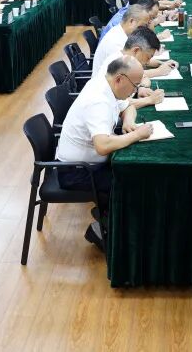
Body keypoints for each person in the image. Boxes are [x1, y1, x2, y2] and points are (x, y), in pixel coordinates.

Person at [56, 56, 155, 249]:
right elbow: (102, 145)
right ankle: (102, 229)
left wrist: (128, 122)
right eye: (134, 86)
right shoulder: (98, 99)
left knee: (135, 175)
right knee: (132, 184)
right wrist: (136, 135)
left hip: (91, 165)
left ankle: (108, 218)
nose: (135, 91)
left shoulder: (108, 85)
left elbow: (128, 106)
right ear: (119, 79)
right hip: (77, 172)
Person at [92, 3, 154, 77]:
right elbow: (127, 74)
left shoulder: (121, 31)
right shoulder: (116, 42)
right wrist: (159, 71)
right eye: (143, 26)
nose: (144, 29)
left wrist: (154, 62)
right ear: (132, 21)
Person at [96, 25, 177, 81]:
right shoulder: (118, 63)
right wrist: (158, 72)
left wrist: (161, 63)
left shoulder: (124, 55)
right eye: (148, 57)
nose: (147, 62)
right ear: (136, 51)